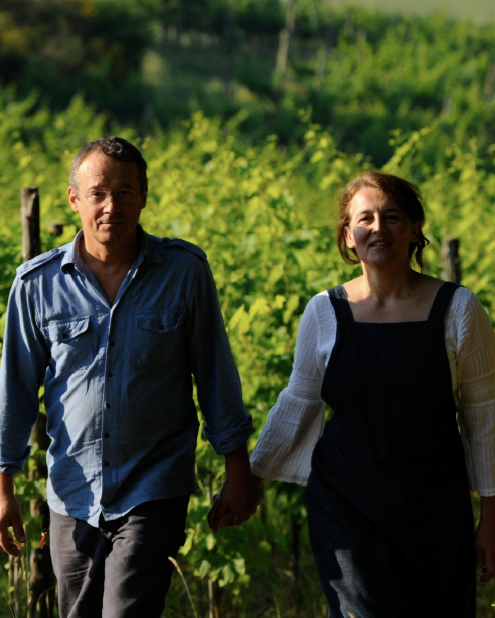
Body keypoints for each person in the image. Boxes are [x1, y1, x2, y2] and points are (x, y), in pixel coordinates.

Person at [0, 136, 260, 618]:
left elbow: (216, 375)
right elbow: (14, 392)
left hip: (153, 484)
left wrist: (237, 470)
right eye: (98, 192)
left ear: (144, 195)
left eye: (124, 192)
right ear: (74, 199)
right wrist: (3, 486)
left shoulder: (184, 272)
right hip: (72, 490)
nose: (111, 205)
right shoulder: (37, 284)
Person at [250, 170, 495, 618]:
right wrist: (249, 479)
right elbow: (299, 403)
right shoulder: (324, 312)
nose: (378, 229)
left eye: (393, 217)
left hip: (436, 512)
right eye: (365, 219)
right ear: (348, 234)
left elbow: (485, 418)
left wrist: (492, 521)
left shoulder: (459, 309)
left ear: (415, 227)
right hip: (347, 508)